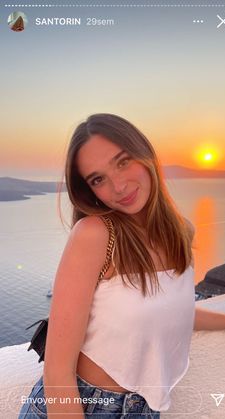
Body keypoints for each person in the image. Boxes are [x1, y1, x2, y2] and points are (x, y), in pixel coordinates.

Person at [18, 113, 202, 418]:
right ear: (89, 190)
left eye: (123, 161)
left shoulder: (181, 232)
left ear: (146, 155)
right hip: (85, 406)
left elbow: (175, 310)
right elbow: (58, 372)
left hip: (143, 409)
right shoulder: (96, 235)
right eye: (98, 179)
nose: (118, 186)